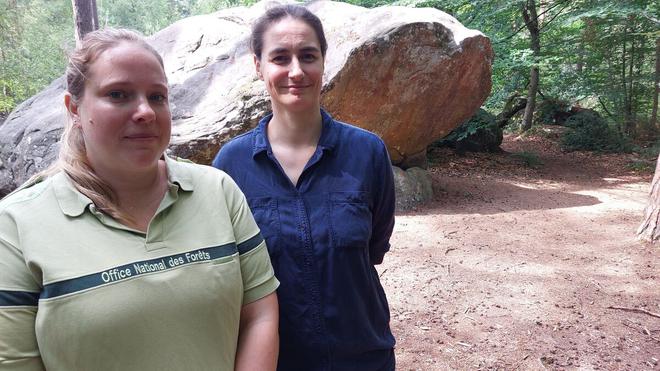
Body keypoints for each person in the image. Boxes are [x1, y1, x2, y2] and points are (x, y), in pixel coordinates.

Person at [0, 28, 279, 371]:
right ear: (74, 108)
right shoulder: (14, 225)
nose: (146, 111)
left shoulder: (218, 190)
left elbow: (259, 313)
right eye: (118, 94)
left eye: (157, 96)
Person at [213, 5, 396, 370]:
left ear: (323, 61)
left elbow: (373, 249)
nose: (296, 71)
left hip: (361, 356)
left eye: (308, 56)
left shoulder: (367, 152)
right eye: (280, 57)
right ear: (258, 65)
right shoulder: (230, 165)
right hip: (274, 359)